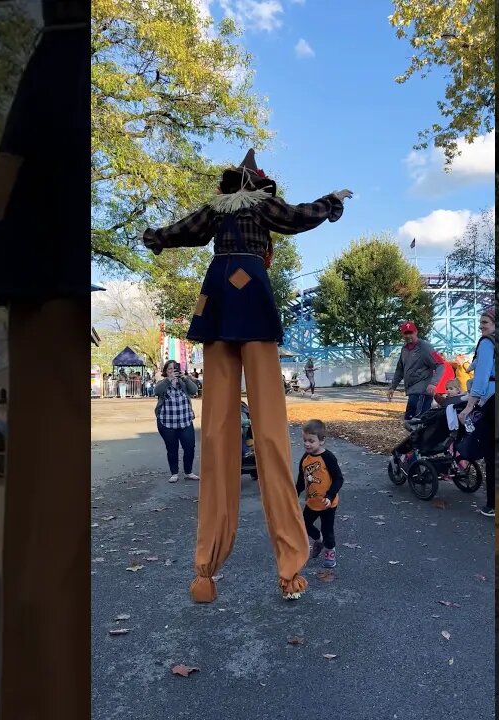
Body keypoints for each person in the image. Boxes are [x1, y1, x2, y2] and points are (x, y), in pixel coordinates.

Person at [143, 147, 352, 602]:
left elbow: (184, 231)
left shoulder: (217, 209)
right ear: (257, 184)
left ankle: (205, 572)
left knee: (217, 430)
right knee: (271, 431)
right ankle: (290, 569)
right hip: (251, 296)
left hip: (218, 297)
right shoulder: (260, 204)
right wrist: (332, 201)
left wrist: (155, 236)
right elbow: (298, 217)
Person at [459, 309, 496, 517]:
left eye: (485, 322)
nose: (481, 326)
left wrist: (468, 407)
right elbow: (474, 366)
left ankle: (492, 504)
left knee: (491, 454)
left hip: (492, 401)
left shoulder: (487, 343)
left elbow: (481, 378)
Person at [295, 420, 344, 569]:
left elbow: (338, 479)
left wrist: (330, 496)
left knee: (327, 529)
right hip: (312, 502)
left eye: (311, 441)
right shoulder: (305, 458)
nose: (307, 444)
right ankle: (318, 540)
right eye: (305, 440)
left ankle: (330, 552)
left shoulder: (328, 457)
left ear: (322, 441)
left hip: (328, 503)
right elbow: (301, 481)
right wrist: (293, 495)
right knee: (304, 525)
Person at [154, 360, 200, 483]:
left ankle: (188, 472)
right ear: (165, 371)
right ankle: (174, 473)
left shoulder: (182, 383)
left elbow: (194, 390)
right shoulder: (163, 383)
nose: (172, 371)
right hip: (167, 422)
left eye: (175, 369)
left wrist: (185, 378)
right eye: (170, 369)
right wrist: (169, 379)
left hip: (185, 421)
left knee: (190, 447)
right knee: (172, 449)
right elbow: (157, 391)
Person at [386, 322, 441, 423]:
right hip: (412, 391)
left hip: (423, 391)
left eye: (410, 333)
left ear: (416, 332)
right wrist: (392, 387)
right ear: (402, 335)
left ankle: (422, 438)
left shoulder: (425, 347)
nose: (408, 336)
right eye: (405, 333)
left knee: (418, 421)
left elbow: (440, 364)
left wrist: (433, 383)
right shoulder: (404, 349)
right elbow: (400, 369)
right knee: (410, 420)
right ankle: (416, 438)